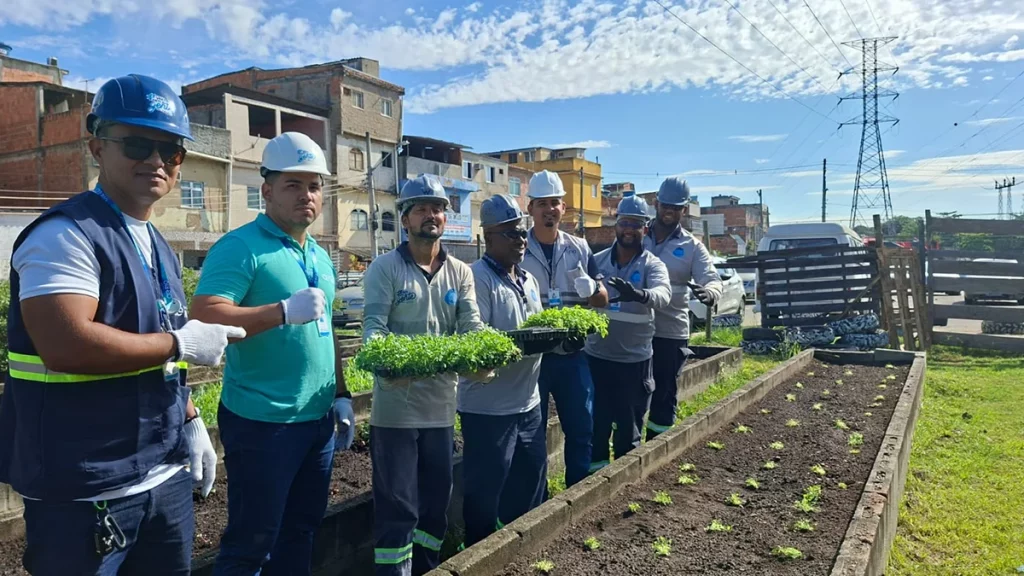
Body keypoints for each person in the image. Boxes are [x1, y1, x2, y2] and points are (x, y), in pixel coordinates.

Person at [0, 74, 243, 575]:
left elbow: (151, 343)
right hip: (84, 488)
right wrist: (179, 342)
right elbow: (65, 345)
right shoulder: (65, 236)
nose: (155, 160)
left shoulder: (156, 244)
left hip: (162, 475)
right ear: (97, 147)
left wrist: (192, 417)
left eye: (170, 150)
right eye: (136, 143)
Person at [188, 131, 353, 575]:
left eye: (314, 185)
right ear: (267, 191)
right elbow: (205, 317)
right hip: (263, 424)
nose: (307, 195)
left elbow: (327, 330)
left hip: (317, 422)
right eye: (293, 185)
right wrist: (280, 312)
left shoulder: (318, 255)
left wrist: (342, 394)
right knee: (251, 543)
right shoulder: (241, 247)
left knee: (301, 530)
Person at [361, 175, 485, 576]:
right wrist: (387, 365)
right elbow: (374, 331)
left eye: (437, 209)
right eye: (421, 209)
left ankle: (426, 568)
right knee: (398, 506)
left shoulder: (461, 272)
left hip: (440, 409)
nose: (430, 215)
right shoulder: (385, 268)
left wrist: (483, 355)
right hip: (395, 409)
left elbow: (471, 326)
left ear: (445, 219)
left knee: (435, 504)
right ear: (405, 219)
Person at [458, 195, 551, 548]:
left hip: (528, 403)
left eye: (523, 232)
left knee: (531, 481)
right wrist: (520, 345)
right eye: (512, 234)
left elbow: (538, 328)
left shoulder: (527, 279)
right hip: (489, 409)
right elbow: (477, 338)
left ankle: (520, 548)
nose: (521, 240)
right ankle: (478, 553)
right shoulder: (476, 279)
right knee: (486, 489)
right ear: (488, 237)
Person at [521, 170, 609, 488]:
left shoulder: (580, 248)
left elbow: (603, 298)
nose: (549, 209)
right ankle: (537, 501)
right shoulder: (519, 250)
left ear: (563, 208)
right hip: (534, 360)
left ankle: (578, 491)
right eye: (542, 203)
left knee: (581, 426)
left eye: (555, 203)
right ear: (531, 208)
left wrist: (592, 292)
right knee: (532, 432)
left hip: (573, 356)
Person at [585, 193, 672, 471]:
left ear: (645, 229)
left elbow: (663, 295)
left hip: (633, 363)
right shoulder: (597, 262)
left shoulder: (652, 265)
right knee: (596, 429)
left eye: (636, 224)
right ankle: (593, 488)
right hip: (597, 359)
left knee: (628, 430)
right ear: (616, 225)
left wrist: (639, 294)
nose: (629, 229)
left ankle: (623, 486)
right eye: (625, 223)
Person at [642, 178, 722, 440]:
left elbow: (710, 277)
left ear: (683, 210)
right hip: (635, 330)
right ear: (657, 203)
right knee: (632, 391)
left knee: (664, 392)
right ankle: (627, 452)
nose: (670, 211)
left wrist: (710, 292)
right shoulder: (638, 235)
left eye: (676, 207)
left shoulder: (692, 246)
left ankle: (657, 447)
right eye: (666, 205)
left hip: (670, 331)